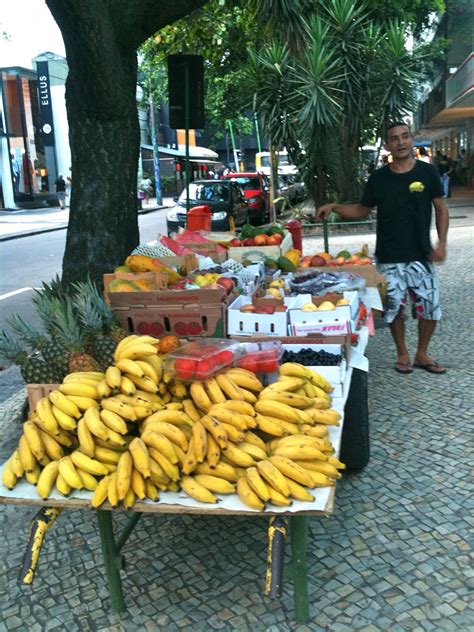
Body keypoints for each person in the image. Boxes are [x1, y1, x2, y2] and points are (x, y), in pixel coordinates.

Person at [317, 121, 449, 375]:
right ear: (387, 145)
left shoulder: (427, 172)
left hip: (421, 254)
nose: (400, 142)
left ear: (411, 140)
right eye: (394, 139)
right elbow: (361, 210)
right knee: (394, 309)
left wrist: (441, 244)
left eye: (405, 136)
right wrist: (334, 206)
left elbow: (441, 208)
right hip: (389, 255)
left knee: (430, 307)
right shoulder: (379, 178)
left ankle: (422, 353)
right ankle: (402, 353)